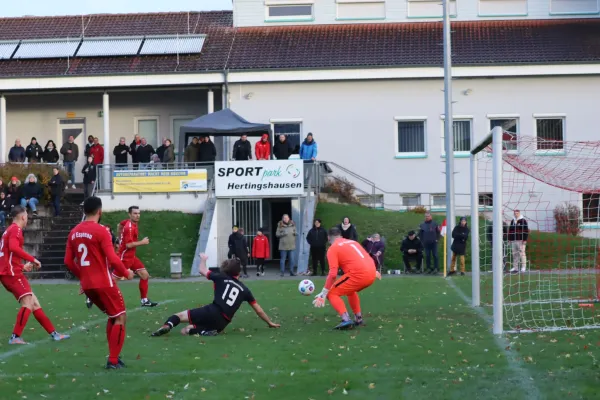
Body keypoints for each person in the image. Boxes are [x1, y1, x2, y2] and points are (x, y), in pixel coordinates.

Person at [64, 197, 134, 369]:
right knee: (120, 317)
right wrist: (126, 273)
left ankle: (114, 357)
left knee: (113, 315)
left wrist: (82, 276)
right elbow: (113, 258)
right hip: (104, 282)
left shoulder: (73, 232)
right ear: (99, 212)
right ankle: (113, 360)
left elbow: (68, 261)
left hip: (88, 285)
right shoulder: (101, 230)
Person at [151, 254, 279, 338]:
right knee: (186, 330)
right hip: (222, 323)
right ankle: (204, 331)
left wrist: (203, 259)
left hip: (212, 311)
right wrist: (270, 322)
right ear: (239, 272)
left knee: (178, 316)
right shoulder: (245, 290)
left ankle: (166, 326)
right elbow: (258, 310)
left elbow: (202, 270)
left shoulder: (221, 277)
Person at [0, 206, 70, 345]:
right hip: (11, 274)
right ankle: (15, 337)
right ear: (23, 217)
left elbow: (6, 255)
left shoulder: (9, 230)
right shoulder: (16, 230)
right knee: (28, 303)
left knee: (34, 303)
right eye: (27, 216)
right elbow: (14, 248)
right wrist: (32, 259)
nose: (27, 219)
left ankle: (54, 334)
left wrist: (21, 266)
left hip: (11, 271)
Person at [312, 227, 381, 330]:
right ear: (340, 235)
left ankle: (346, 319)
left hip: (359, 274)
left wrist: (324, 292)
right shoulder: (353, 242)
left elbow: (333, 274)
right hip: (372, 272)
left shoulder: (333, 248)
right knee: (350, 291)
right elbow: (366, 256)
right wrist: (373, 270)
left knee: (331, 293)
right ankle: (358, 318)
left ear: (328, 237)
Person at [117, 206, 158, 307]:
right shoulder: (129, 227)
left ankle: (144, 300)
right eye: (135, 213)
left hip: (132, 257)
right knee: (112, 281)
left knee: (145, 275)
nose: (137, 215)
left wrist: (119, 238)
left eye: (138, 213)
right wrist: (142, 242)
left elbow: (119, 224)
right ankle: (92, 296)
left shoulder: (130, 222)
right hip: (124, 257)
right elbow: (128, 245)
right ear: (129, 214)